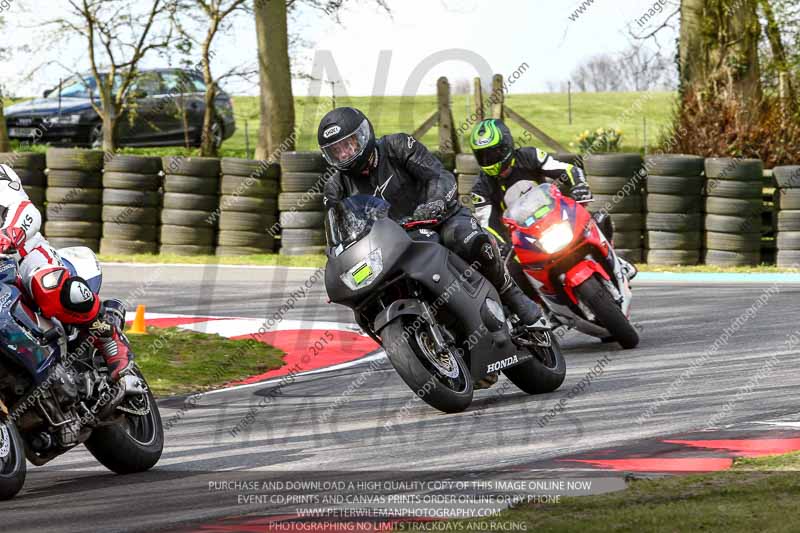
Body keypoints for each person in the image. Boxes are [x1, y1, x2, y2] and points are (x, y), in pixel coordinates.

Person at [319, 107, 548, 337]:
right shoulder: (335, 188)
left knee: (468, 242)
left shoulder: (397, 146)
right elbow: (338, 231)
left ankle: (514, 298)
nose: (344, 154)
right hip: (390, 246)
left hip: (439, 219)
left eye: (348, 145)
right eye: (336, 151)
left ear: (363, 136)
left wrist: (435, 203)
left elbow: (438, 175)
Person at [0, 163, 131, 380]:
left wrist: (10, 233)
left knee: (47, 284)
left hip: (24, 256)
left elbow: (24, 209)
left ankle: (107, 335)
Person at [468, 118, 637, 281]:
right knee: (510, 269)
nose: (491, 160)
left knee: (596, 219)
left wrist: (579, 185)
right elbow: (487, 224)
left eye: (496, 153)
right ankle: (532, 308)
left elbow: (567, 169)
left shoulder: (530, 155)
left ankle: (617, 262)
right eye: (484, 156)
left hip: (553, 217)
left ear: (507, 145)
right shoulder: (480, 188)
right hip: (523, 240)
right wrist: (501, 245)